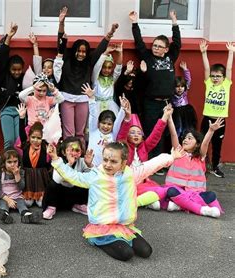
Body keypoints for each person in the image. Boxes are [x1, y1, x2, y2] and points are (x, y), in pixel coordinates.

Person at [47, 141, 184, 261]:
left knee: (146, 251)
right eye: (105, 160)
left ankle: (119, 240)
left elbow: (150, 166)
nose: (107, 164)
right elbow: (74, 176)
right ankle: (100, 242)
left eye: (113, 161)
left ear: (123, 163)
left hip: (123, 225)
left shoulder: (131, 174)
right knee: (126, 254)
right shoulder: (96, 176)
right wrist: (56, 159)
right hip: (103, 227)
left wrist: (171, 157)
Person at [55, 6, 117, 140]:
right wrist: (61, 23)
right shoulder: (67, 58)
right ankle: (69, 157)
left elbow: (101, 48)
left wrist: (110, 32)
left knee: (80, 133)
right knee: (68, 132)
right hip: (66, 98)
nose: (81, 54)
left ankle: (81, 156)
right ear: (74, 50)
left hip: (83, 99)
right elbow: (60, 43)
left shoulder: (89, 61)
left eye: (84, 51)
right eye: (79, 51)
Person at [145, 116, 225, 218]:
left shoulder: (200, 156)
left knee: (211, 195)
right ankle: (201, 210)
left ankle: (179, 205)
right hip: (176, 190)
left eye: (190, 138)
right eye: (185, 138)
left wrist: (211, 130)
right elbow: (173, 134)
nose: (185, 140)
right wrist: (169, 118)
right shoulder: (178, 152)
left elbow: (205, 143)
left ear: (197, 144)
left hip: (195, 193)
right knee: (171, 191)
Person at [129, 9, 180, 158]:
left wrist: (174, 22)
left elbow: (177, 42)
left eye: (159, 46)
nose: (156, 48)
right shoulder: (148, 57)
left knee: (165, 130)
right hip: (151, 102)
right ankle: (150, 159)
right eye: (155, 45)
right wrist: (134, 23)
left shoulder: (171, 58)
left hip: (166, 102)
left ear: (166, 49)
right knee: (151, 130)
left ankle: (161, 160)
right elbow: (139, 43)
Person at [199, 40, 234, 178]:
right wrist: (203, 52)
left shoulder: (226, 84)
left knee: (217, 145)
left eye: (218, 76)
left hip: (220, 120)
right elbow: (206, 69)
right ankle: (200, 165)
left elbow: (229, 69)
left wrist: (231, 52)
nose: (214, 78)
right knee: (202, 142)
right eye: (213, 76)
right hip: (207, 118)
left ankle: (214, 167)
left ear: (223, 77)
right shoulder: (209, 83)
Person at [42, 137, 92, 219]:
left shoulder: (82, 161)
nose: (74, 153)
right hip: (59, 195)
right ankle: (51, 207)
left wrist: (89, 165)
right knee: (52, 185)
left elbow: (91, 178)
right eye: (70, 150)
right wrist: (69, 164)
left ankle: (78, 205)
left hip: (73, 194)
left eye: (77, 150)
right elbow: (57, 180)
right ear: (64, 152)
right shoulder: (59, 161)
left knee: (86, 183)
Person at [83, 83, 129, 166]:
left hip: (107, 170)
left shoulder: (114, 135)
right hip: (89, 168)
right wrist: (91, 98)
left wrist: (122, 109)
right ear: (98, 123)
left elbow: (118, 122)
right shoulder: (94, 131)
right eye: (103, 123)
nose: (105, 126)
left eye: (109, 124)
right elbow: (93, 115)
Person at [0, 23, 24, 149]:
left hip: (20, 112)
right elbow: (2, 57)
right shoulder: (3, 76)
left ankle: (17, 166)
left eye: (19, 70)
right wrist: (9, 37)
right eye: (14, 70)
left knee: (19, 141)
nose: (16, 72)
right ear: (9, 69)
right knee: (9, 141)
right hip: (6, 111)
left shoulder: (24, 79)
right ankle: (7, 165)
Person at [0, 149, 42, 224]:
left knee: (22, 205)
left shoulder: (21, 171)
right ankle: (4, 215)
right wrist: (8, 200)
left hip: (17, 196)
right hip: (4, 197)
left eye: (15, 161)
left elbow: (21, 187)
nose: (13, 164)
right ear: (4, 163)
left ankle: (27, 216)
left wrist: (16, 175)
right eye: (9, 162)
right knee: (3, 206)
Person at [17, 104, 50, 207]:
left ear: (42, 138)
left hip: (41, 176)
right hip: (28, 176)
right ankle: (29, 195)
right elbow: (22, 133)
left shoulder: (45, 146)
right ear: (29, 137)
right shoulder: (26, 145)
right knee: (28, 203)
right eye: (33, 137)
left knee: (41, 204)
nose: (35, 140)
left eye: (38, 138)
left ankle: (40, 195)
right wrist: (22, 118)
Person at [91, 43, 123, 116]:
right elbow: (97, 67)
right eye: (104, 67)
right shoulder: (95, 79)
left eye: (109, 67)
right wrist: (106, 52)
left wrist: (120, 52)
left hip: (111, 107)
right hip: (97, 107)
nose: (106, 70)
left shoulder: (112, 79)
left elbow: (118, 69)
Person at [172, 61, 197, 137]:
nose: (180, 89)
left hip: (186, 112)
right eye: (177, 86)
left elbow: (188, 80)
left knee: (187, 128)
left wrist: (185, 69)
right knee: (178, 129)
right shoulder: (171, 94)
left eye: (182, 86)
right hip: (176, 112)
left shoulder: (185, 92)